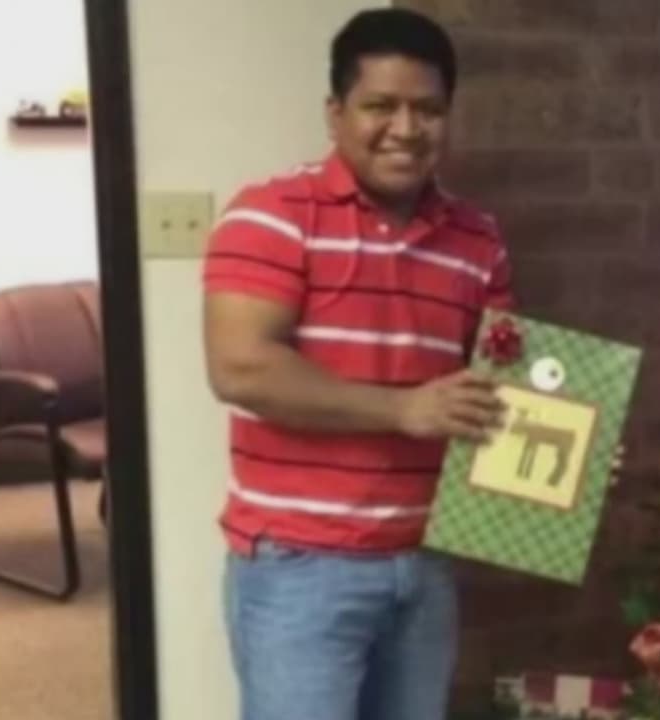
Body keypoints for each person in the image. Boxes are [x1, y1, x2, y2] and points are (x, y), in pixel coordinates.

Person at [201, 9, 509, 720]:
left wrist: (570, 454)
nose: (406, 128)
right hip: (300, 567)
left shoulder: (478, 238)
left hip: (425, 563)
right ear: (335, 112)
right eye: (381, 106)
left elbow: (496, 390)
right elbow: (241, 369)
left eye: (428, 109)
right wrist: (402, 409)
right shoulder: (271, 213)